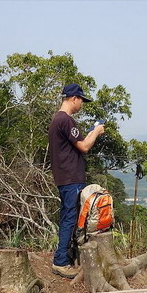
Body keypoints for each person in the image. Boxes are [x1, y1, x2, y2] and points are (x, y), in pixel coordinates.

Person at [48, 83, 105, 278]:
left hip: (65, 177)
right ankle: (61, 261)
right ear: (74, 98)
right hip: (71, 178)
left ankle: (68, 256)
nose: (81, 104)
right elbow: (84, 147)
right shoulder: (66, 120)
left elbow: (78, 143)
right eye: (81, 100)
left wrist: (91, 132)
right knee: (71, 218)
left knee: (70, 217)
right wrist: (96, 132)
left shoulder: (58, 120)